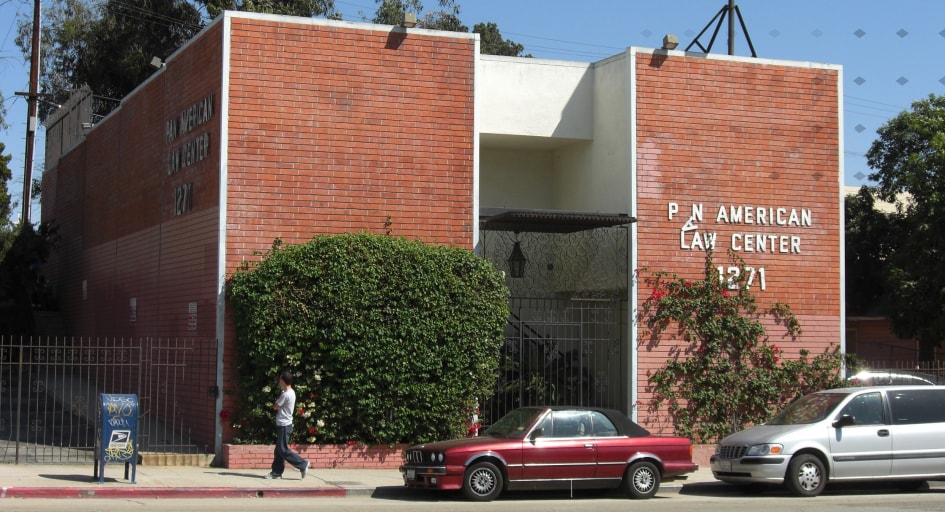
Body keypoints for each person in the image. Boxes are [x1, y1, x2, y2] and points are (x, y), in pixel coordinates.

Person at [265, 371, 310, 479]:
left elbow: (275, 407)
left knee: (282, 449)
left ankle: (302, 464)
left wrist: (278, 399)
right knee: (279, 450)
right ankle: (276, 472)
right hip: (284, 424)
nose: (279, 381)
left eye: (280, 379)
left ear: (284, 381)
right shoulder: (290, 392)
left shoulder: (285, 394)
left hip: (284, 425)